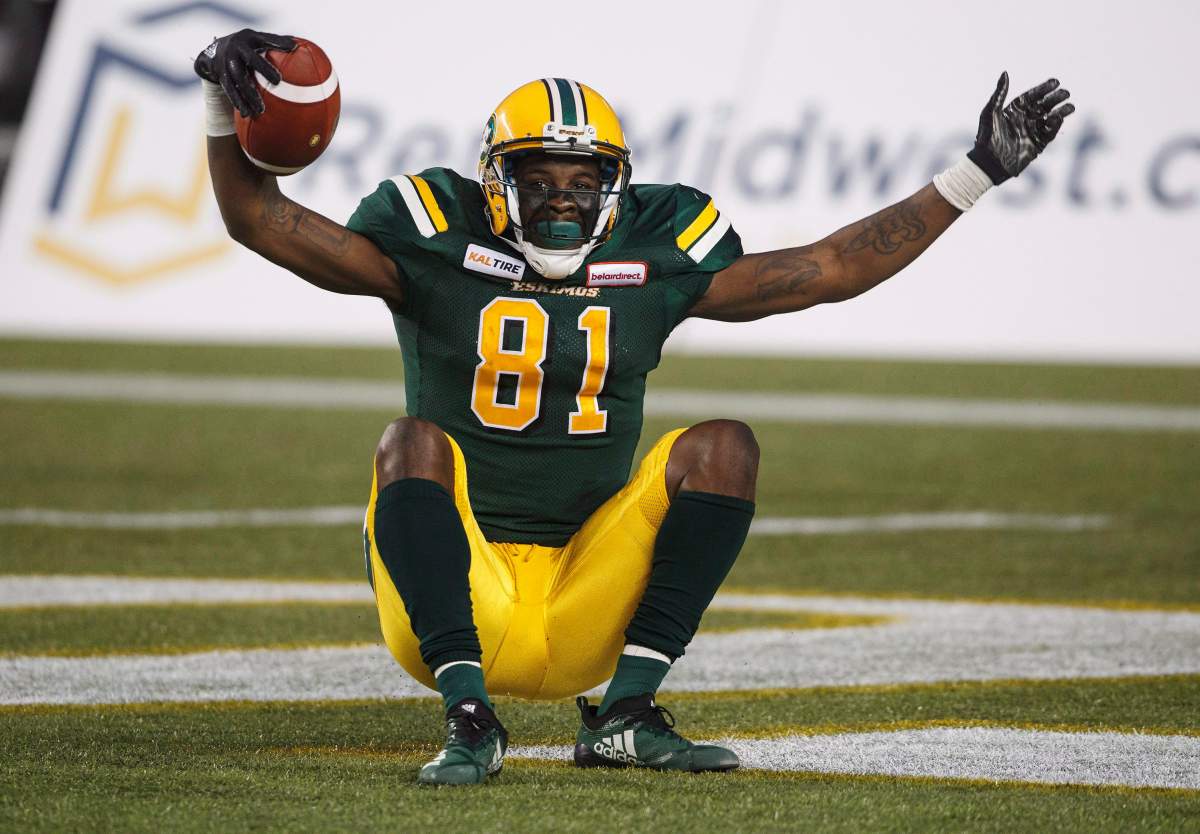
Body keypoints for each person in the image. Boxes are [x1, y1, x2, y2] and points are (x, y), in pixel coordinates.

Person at [195, 30, 1073, 785]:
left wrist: (977, 173)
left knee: (723, 445)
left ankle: (627, 712)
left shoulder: (660, 248)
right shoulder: (429, 229)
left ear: (616, 188)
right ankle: (469, 719)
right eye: (539, 179)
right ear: (495, 182)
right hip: (456, 595)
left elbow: (830, 269)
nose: (563, 198)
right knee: (409, 443)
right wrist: (214, 99)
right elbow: (258, 217)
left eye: (582, 181)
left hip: (591, 596)